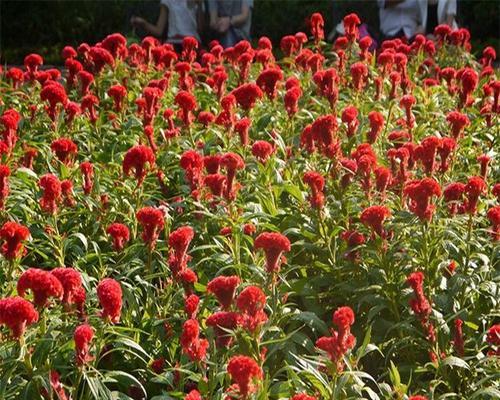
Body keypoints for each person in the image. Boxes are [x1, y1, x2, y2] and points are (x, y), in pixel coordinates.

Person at [131, 0, 201, 45]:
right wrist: (143, 23)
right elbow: (159, 31)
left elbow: (201, 28)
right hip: (174, 43)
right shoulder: (168, 1)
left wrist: (200, 6)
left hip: (193, 43)